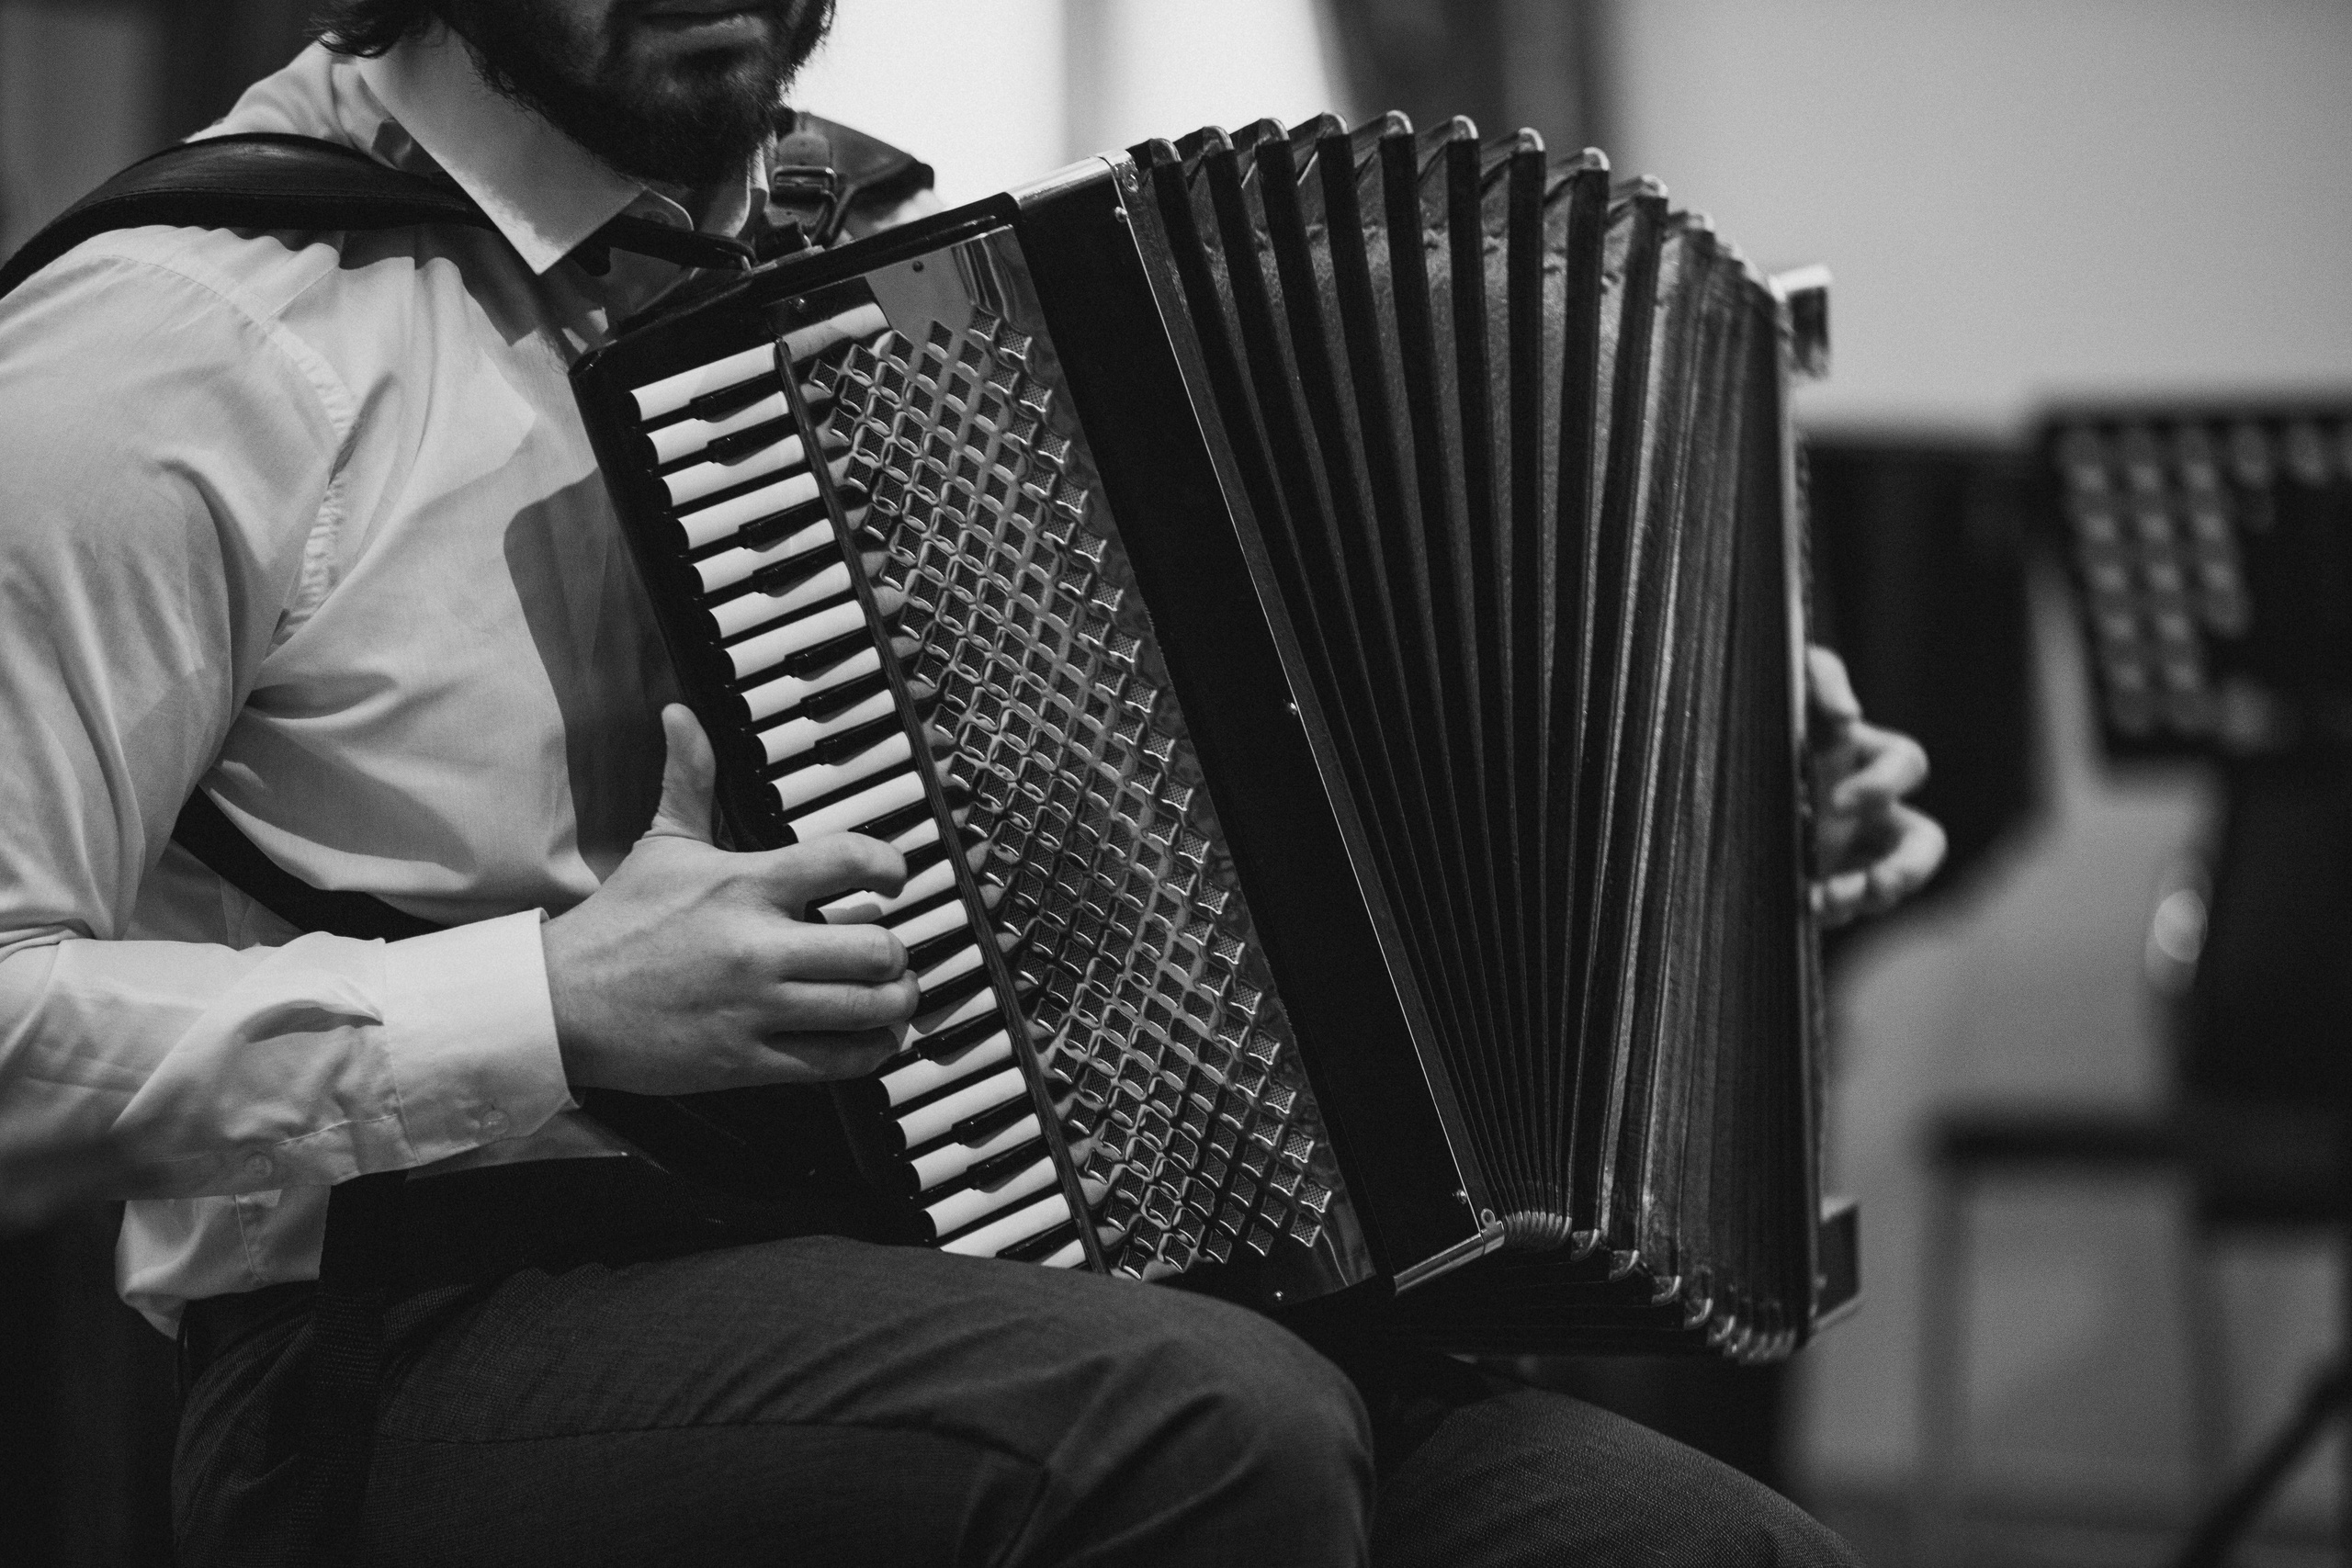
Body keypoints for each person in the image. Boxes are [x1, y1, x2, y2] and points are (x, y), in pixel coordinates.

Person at [0, 1, 1945, 1562]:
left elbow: (1235, 811)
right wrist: (549, 1002)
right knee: (1203, 1426)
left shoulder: (901, 267)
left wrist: (1697, 815)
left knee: (1684, 1534)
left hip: (961, 1273)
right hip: (398, 1339)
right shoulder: (182, 340)